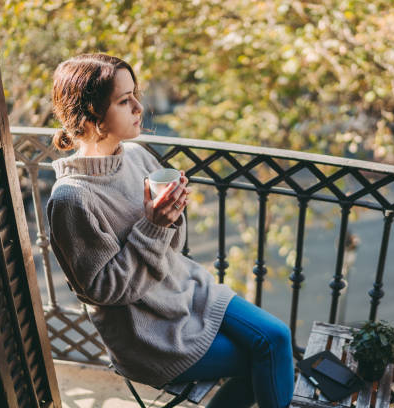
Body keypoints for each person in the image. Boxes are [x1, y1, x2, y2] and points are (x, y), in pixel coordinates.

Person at [46, 53, 295, 408]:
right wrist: (153, 226)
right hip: (148, 336)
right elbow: (104, 291)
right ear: (92, 116)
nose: (138, 107)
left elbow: (172, 247)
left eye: (135, 94)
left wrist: (172, 217)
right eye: (123, 100)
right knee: (266, 357)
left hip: (188, 291)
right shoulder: (72, 199)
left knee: (277, 338)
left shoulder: (136, 156)